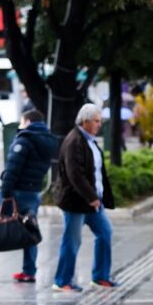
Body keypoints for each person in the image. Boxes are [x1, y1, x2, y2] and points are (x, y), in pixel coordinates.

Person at [0, 110, 58, 281]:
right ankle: (29, 271)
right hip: (34, 191)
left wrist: (6, 192)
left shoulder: (24, 139)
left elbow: (12, 168)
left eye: (22, 122)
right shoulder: (48, 141)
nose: (20, 125)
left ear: (28, 121)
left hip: (16, 190)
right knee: (30, 228)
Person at [52, 104, 117, 292]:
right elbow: (75, 174)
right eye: (96, 121)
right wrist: (91, 196)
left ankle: (100, 276)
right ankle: (62, 280)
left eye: (100, 121)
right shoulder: (74, 141)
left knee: (105, 233)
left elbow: (96, 171)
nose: (99, 125)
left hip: (92, 201)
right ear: (85, 121)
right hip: (76, 201)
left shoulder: (89, 140)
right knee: (72, 241)